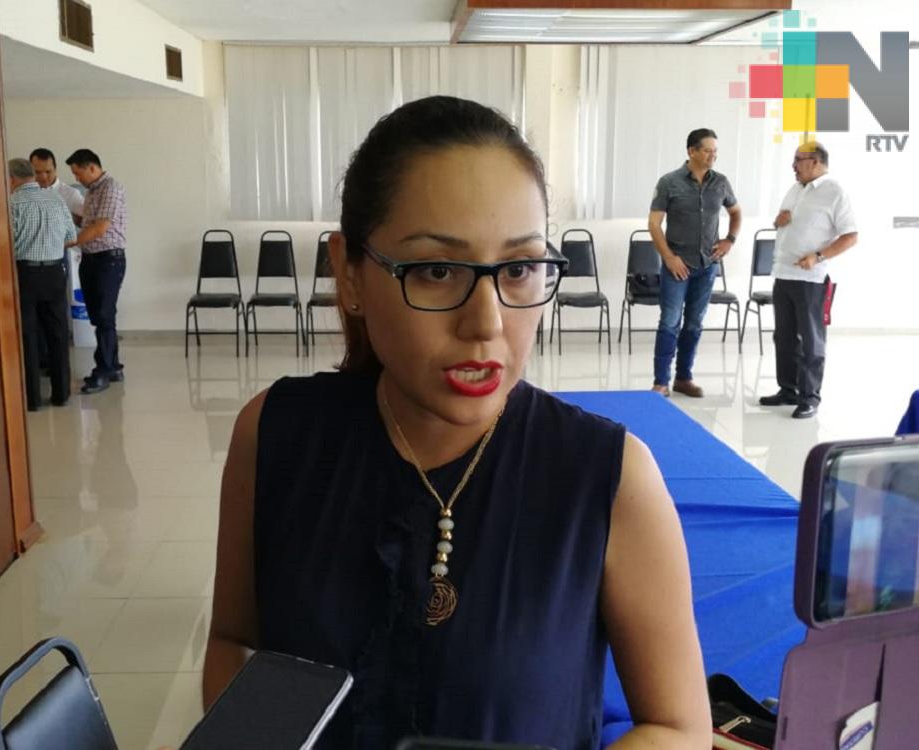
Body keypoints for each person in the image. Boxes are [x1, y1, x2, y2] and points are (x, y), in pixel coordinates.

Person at [204, 97, 710, 749]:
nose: (487, 323)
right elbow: (235, 643)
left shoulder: (606, 476)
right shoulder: (277, 434)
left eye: (519, 269)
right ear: (350, 273)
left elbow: (677, 726)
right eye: (437, 271)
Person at [759, 141, 857, 419]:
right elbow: (785, 225)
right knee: (784, 337)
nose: (793, 166)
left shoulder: (834, 192)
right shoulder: (795, 189)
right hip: (783, 275)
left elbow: (850, 236)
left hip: (811, 280)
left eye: (798, 160)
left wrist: (818, 256)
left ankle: (810, 397)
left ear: (815, 161)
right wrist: (778, 221)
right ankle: (788, 389)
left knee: (811, 340)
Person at [648, 128, 742, 398]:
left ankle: (684, 378)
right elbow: (654, 224)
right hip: (676, 266)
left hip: (707, 266)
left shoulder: (721, 183)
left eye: (715, 151)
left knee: (694, 323)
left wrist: (729, 240)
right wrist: (669, 258)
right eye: (708, 150)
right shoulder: (669, 182)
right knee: (669, 322)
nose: (713, 155)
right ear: (691, 151)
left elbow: (736, 212)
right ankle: (661, 382)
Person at [7, 158, 76, 410]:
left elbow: (7, 242)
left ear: (11, 179)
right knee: (58, 333)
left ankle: (33, 399)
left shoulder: (12, 203)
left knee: (28, 334)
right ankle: (61, 394)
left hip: (26, 273)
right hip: (55, 272)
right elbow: (71, 237)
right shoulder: (56, 199)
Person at [65, 148, 127, 395]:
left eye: (78, 173)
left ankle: (103, 370)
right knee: (101, 317)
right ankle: (114, 367)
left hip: (108, 260)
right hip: (91, 259)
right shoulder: (92, 191)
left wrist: (71, 241)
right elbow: (87, 222)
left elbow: (100, 227)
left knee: (103, 316)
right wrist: (65, 215)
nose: (76, 178)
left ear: (92, 167)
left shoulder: (110, 188)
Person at [30, 147, 84, 223]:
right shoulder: (22, 193)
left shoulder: (71, 194)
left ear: (55, 170)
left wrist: (68, 217)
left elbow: (92, 221)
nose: (43, 177)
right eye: (37, 172)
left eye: (48, 172)